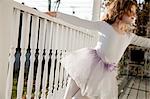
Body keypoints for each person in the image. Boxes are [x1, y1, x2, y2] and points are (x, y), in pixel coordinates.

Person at [46, 0, 150, 99]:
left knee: (82, 97)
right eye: (130, 11)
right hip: (89, 63)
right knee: (68, 94)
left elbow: (146, 42)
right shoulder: (104, 26)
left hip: (104, 75)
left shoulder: (129, 36)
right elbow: (81, 22)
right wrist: (58, 14)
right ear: (120, 10)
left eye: (135, 12)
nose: (134, 15)